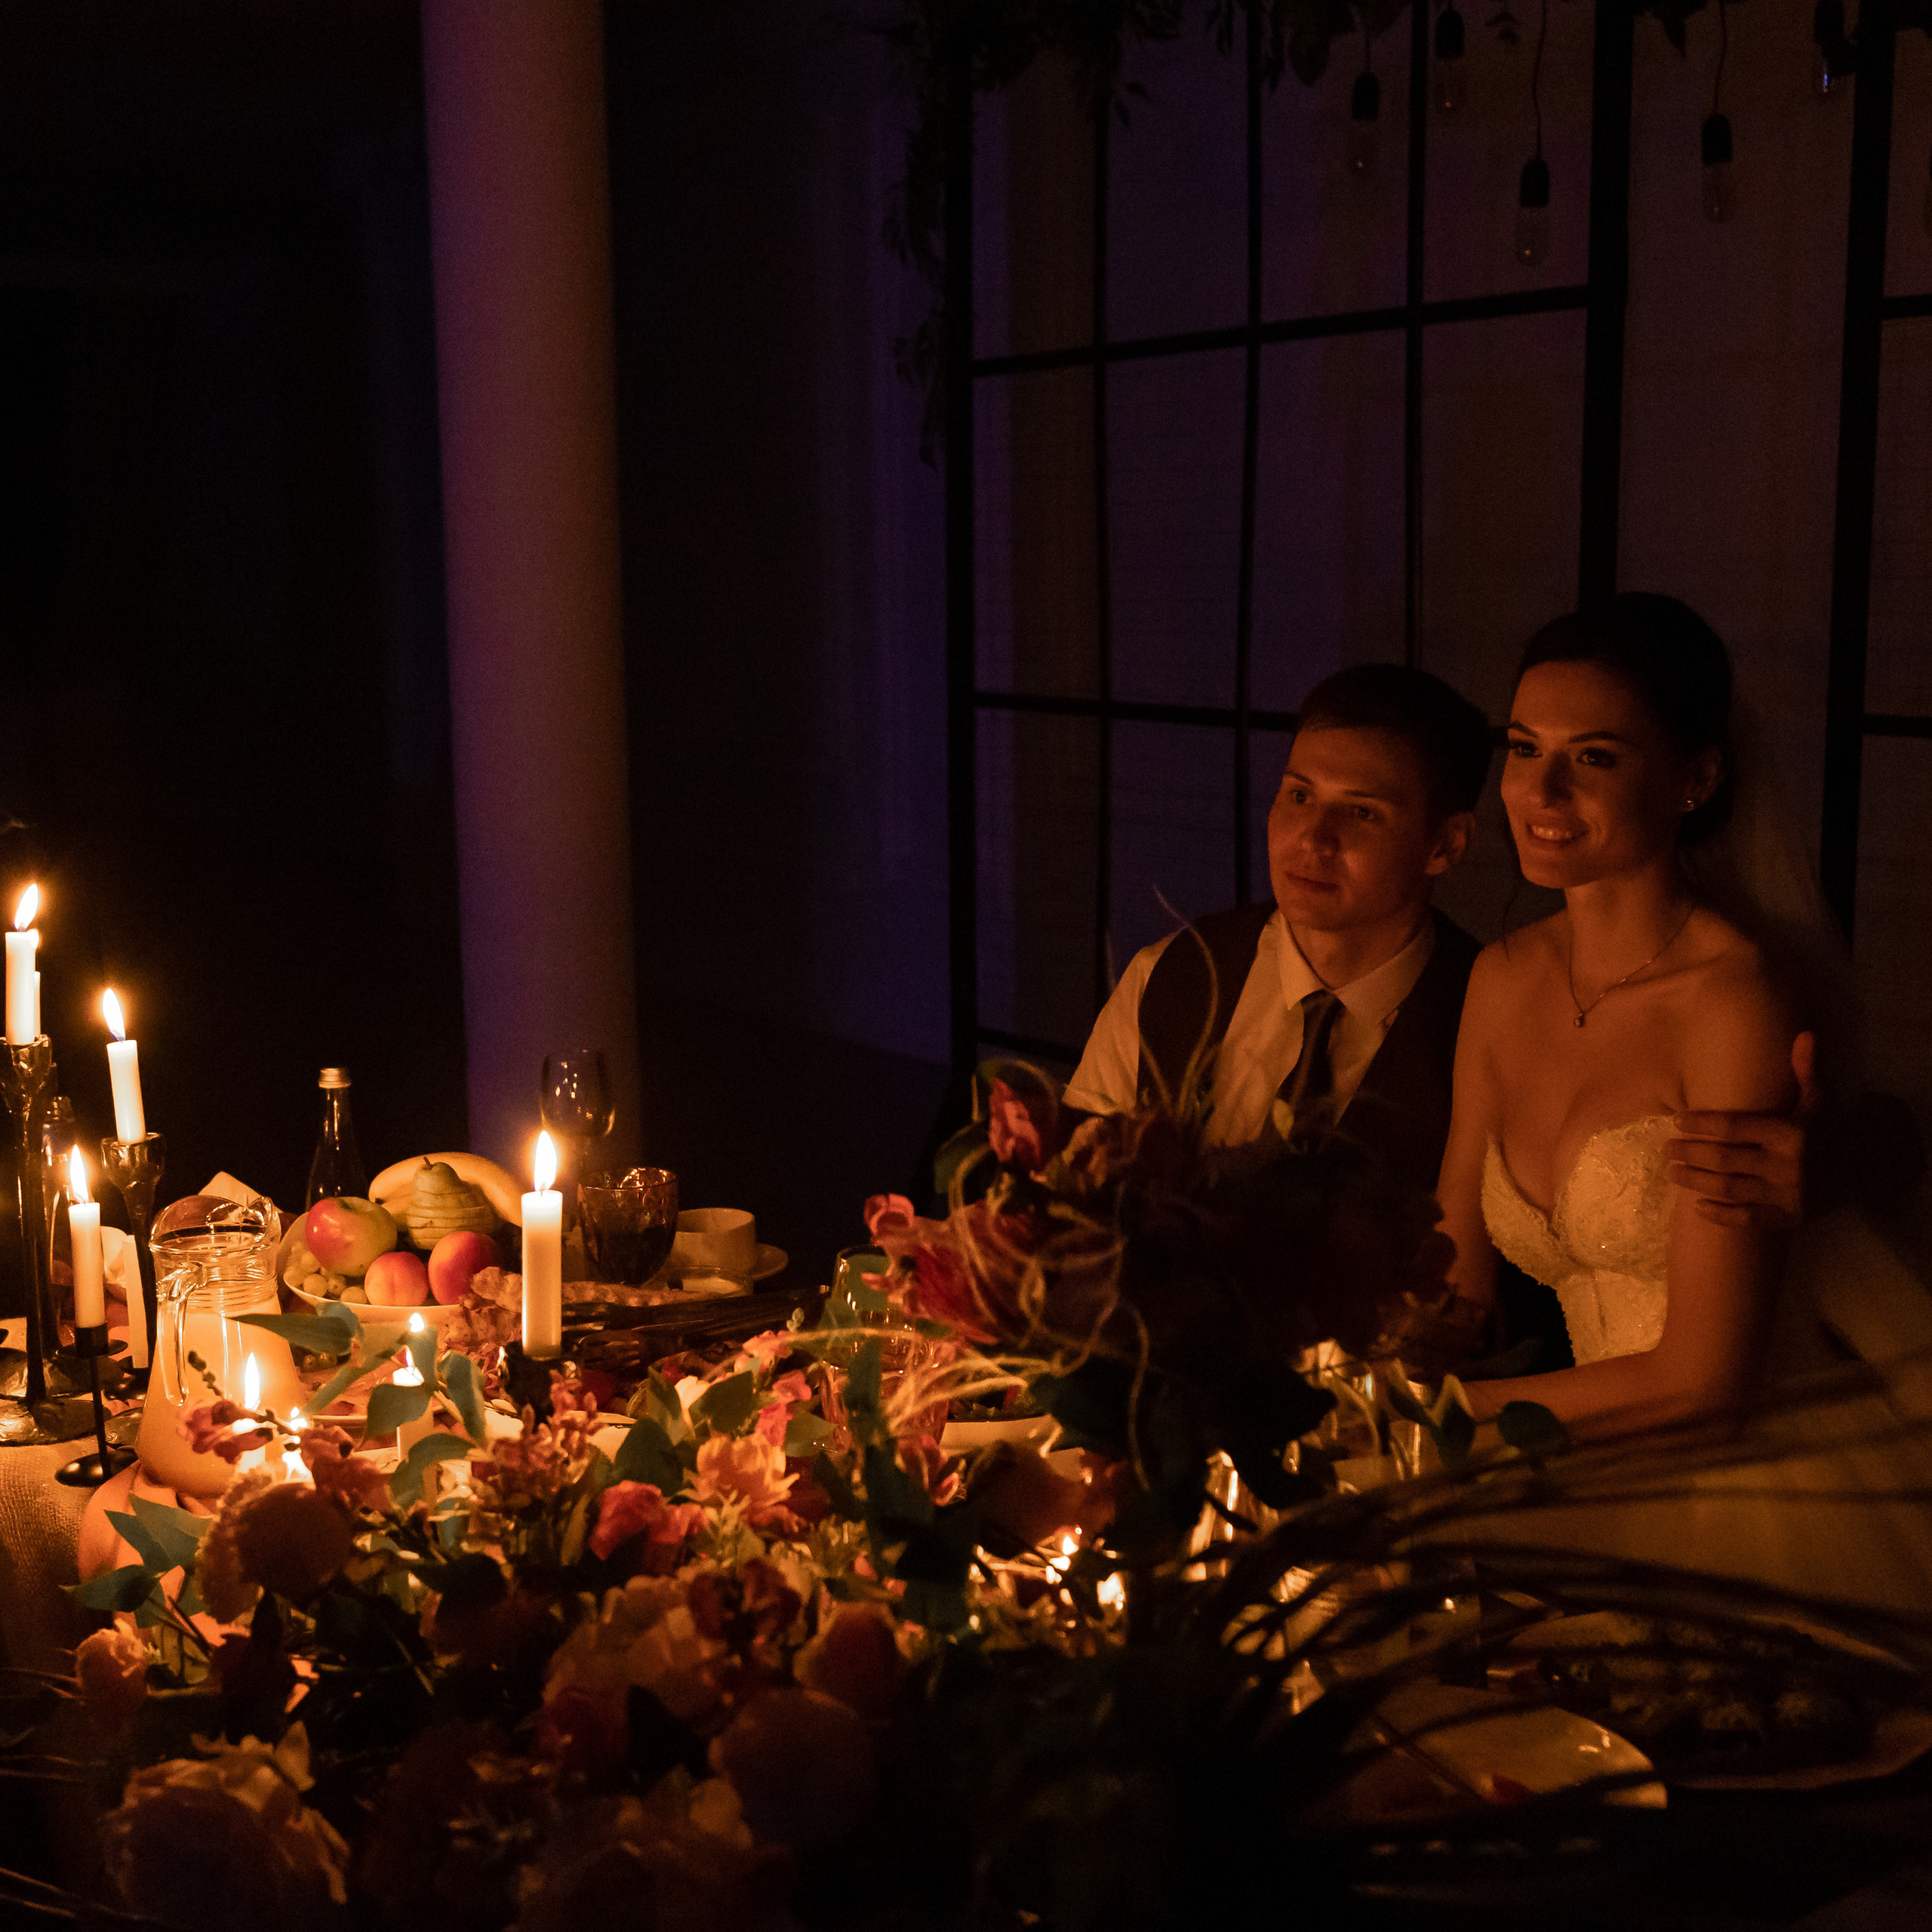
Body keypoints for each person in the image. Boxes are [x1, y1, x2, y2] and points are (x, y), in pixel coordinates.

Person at [1436, 594, 1932, 1610]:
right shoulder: (1502, 976)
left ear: (1695, 780)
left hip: (1730, 1480)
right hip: (1561, 1453)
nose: (1541, 789)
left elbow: (1706, 1386)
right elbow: (1449, 1275)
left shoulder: (1732, 1000)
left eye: (1594, 757)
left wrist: (1443, 1416)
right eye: (1523, 748)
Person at [1063, 660, 1806, 1272]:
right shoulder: (1171, 974)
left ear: (1446, 846)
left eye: (1362, 812)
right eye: (1298, 796)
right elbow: (1064, 1204)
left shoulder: (1496, 1006)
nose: (1312, 838)